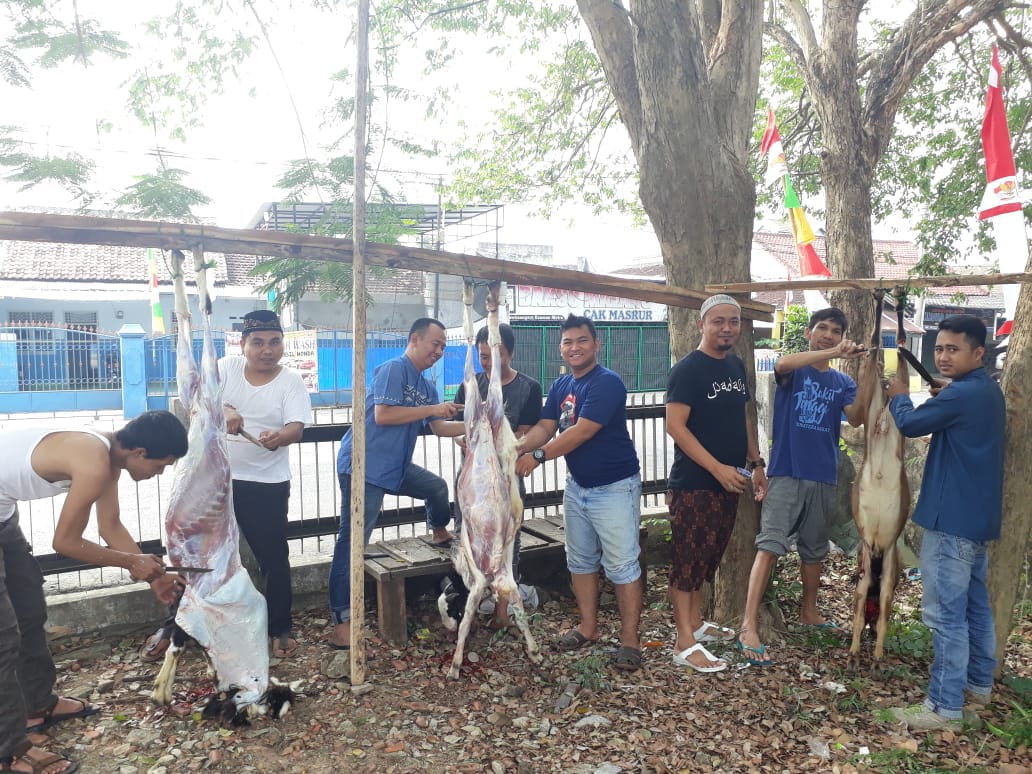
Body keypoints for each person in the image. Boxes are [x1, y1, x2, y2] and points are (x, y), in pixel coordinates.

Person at [0, 411, 188, 774]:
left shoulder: (110, 453)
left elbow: (110, 526)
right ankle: (10, 751)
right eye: (160, 465)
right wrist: (131, 563)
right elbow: (65, 542)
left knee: (30, 613)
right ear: (140, 452)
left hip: (3, 516)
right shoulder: (95, 460)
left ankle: (37, 705)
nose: (159, 474)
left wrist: (154, 577)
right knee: (3, 637)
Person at [141, 310, 312, 661]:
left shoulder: (291, 381)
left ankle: (279, 626)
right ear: (244, 344)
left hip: (266, 484)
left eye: (275, 342)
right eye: (259, 342)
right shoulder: (226, 367)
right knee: (195, 556)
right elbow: (199, 397)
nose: (268, 350)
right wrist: (227, 409)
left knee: (274, 559)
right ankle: (176, 625)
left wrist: (280, 436)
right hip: (213, 482)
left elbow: (297, 427)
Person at [885, 315, 1005, 731]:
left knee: (945, 616)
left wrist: (900, 395)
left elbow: (910, 423)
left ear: (978, 353)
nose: (943, 355)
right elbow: (954, 411)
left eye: (953, 349)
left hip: (950, 520)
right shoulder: (985, 389)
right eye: (939, 348)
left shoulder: (961, 396)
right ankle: (977, 686)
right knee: (974, 607)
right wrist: (943, 394)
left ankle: (943, 707)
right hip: (976, 520)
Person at [737, 307, 866, 665]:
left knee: (814, 549)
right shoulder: (795, 370)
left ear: (842, 336)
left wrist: (867, 371)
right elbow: (782, 364)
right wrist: (833, 354)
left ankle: (809, 612)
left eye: (835, 331)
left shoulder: (842, 383)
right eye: (822, 328)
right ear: (809, 332)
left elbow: (856, 418)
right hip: (787, 471)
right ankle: (748, 623)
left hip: (824, 475)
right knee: (770, 544)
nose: (828, 334)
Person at [515, 314, 643, 671]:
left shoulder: (607, 383)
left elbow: (583, 431)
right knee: (580, 561)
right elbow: (545, 425)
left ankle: (631, 641)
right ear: (561, 347)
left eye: (582, 340)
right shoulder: (560, 386)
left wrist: (538, 456)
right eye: (568, 342)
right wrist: (515, 448)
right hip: (578, 487)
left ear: (596, 344)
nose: (575, 348)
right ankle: (589, 628)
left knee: (621, 564)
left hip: (614, 487)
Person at [327, 318, 464, 649]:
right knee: (353, 542)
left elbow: (439, 427)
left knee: (436, 488)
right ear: (414, 339)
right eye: (435, 343)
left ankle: (439, 530)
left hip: (396, 467)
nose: (439, 351)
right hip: (364, 466)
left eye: (444, 346)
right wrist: (433, 408)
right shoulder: (394, 369)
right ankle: (342, 619)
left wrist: (472, 426)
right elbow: (383, 415)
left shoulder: (428, 387)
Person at [664, 294, 767, 673]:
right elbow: (676, 427)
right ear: (701, 325)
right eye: (718, 321)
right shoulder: (688, 370)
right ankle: (683, 641)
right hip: (694, 482)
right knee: (687, 562)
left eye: (733, 321)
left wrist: (754, 463)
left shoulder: (736, 365)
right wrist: (717, 468)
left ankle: (694, 622)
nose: (726, 328)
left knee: (708, 558)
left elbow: (743, 416)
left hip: (733, 480)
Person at [453, 322, 542, 627]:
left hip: (506, 479)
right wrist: (463, 437)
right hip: (472, 482)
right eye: (484, 356)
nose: (489, 363)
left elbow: (525, 434)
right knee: (468, 537)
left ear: (511, 353)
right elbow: (454, 427)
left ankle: (503, 613)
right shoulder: (470, 385)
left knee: (507, 540)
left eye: (496, 355)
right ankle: (472, 605)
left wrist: (496, 440)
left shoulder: (528, 388)